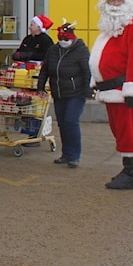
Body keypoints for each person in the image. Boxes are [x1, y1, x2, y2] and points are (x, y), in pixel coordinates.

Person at [90, 0, 133, 190]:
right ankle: (129, 170)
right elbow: (100, 59)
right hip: (111, 91)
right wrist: (96, 83)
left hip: (125, 91)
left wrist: (132, 91)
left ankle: (132, 173)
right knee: (119, 130)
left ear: (127, 3)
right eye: (111, 1)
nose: (115, 5)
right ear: (104, 4)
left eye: (119, 1)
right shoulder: (109, 29)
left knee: (130, 132)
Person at [37, 20, 91, 168]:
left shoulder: (81, 50)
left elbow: (87, 71)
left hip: (76, 92)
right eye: (60, 39)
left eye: (65, 39)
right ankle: (66, 153)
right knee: (62, 123)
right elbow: (45, 69)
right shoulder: (54, 50)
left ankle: (74, 155)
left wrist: (87, 89)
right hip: (58, 92)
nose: (62, 42)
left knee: (71, 122)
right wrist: (40, 86)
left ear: (72, 38)